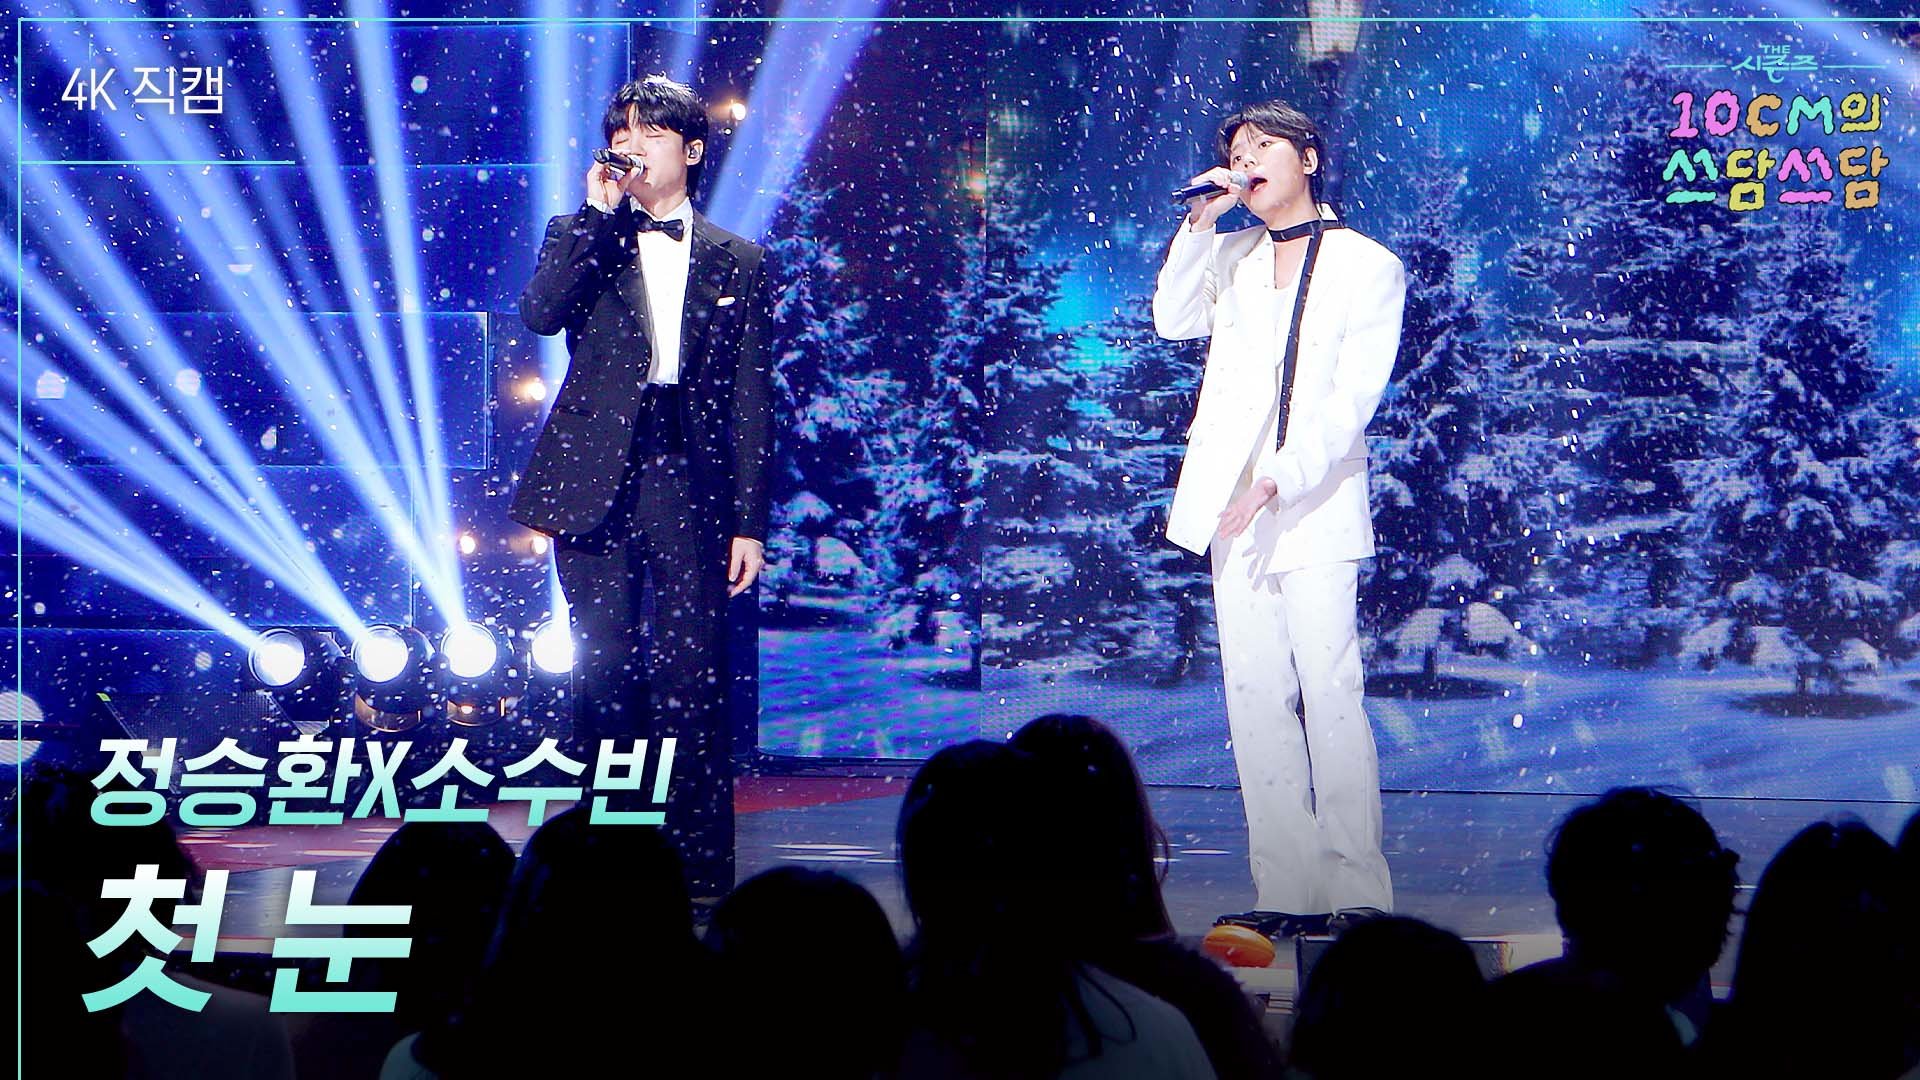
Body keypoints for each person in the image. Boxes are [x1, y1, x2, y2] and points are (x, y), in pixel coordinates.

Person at [513, 74, 774, 898]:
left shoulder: (738, 258)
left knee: (694, 675)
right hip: (595, 472)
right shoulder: (583, 235)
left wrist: (749, 520)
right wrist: (595, 214)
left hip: (687, 470)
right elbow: (540, 314)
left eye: (649, 133)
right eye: (620, 131)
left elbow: (749, 397)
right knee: (604, 671)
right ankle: (609, 869)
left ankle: (698, 868)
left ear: (690, 151)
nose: (630, 145)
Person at [1153, 99, 1406, 919]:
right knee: (1255, 694)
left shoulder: (1367, 264)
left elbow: (1350, 400)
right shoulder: (1230, 254)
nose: (1246, 161)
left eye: (1262, 147)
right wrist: (1201, 222)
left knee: (1330, 691)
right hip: (1235, 506)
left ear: (1309, 158)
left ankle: (1356, 891)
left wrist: (1280, 477)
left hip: (1314, 499)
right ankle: (1287, 887)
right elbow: (1172, 320)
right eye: (1236, 152)